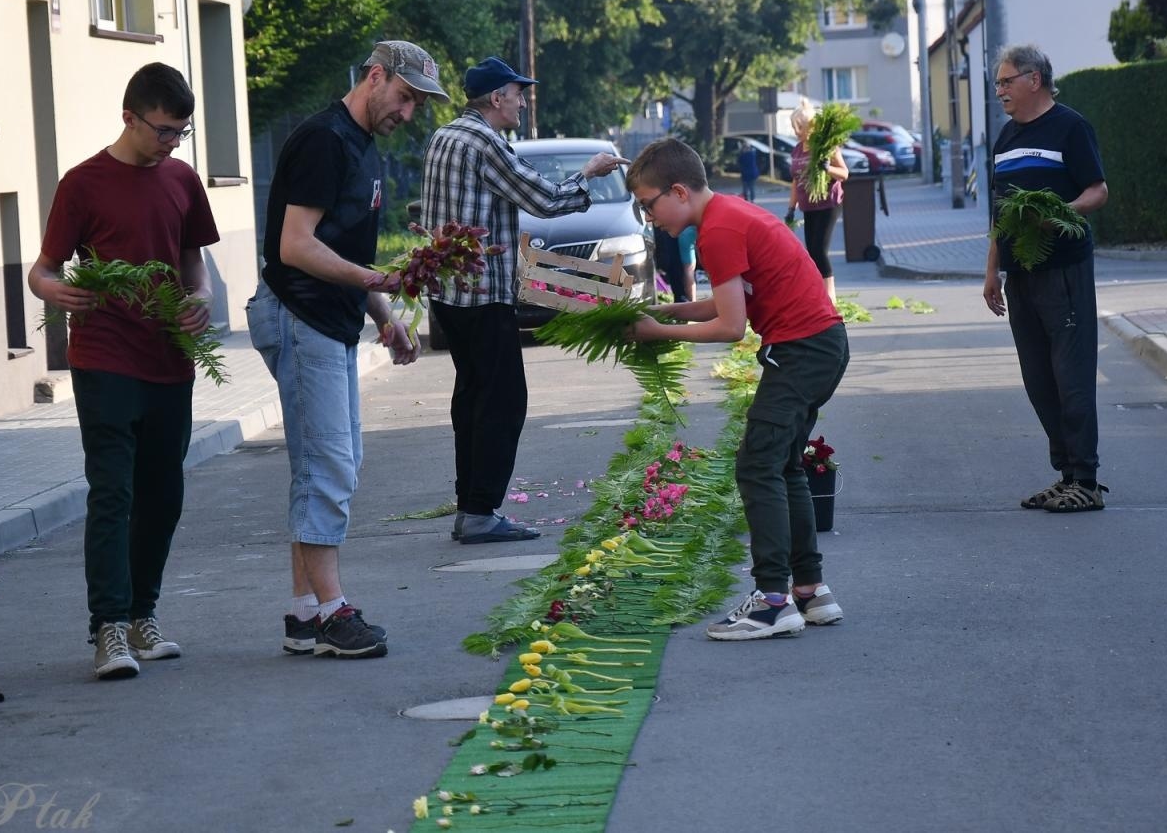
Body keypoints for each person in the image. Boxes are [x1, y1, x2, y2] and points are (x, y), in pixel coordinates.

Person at [28, 62, 220, 680]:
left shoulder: (183, 180)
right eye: (163, 131)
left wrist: (202, 298)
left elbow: (193, 264)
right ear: (129, 118)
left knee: (163, 495)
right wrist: (55, 291)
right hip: (104, 357)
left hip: (170, 358)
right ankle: (108, 627)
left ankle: (143, 615)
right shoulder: (82, 184)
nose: (172, 143)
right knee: (114, 492)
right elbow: (43, 269)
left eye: (181, 133)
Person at [247, 40, 433, 661]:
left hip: (327, 320)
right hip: (299, 314)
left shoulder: (362, 146)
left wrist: (383, 316)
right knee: (329, 466)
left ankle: (304, 612)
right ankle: (332, 612)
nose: (407, 112)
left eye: (417, 104)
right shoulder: (325, 140)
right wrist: (377, 282)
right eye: (404, 97)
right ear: (375, 76)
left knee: (327, 461)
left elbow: (345, 252)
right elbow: (295, 245)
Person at [624, 138, 849, 640]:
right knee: (783, 465)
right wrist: (666, 311)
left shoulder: (718, 231)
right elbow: (723, 303)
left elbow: (730, 326)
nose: (649, 217)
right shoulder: (727, 215)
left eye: (648, 204)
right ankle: (810, 591)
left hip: (801, 351)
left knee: (756, 465)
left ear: (678, 191)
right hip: (820, 346)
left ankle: (772, 602)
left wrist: (658, 333)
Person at [421, 57, 628, 544]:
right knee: (504, 400)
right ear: (496, 98)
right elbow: (546, 200)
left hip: (448, 292)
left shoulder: (444, 136)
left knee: (472, 397)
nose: (522, 103)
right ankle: (479, 512)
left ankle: (470, 506)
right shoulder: (486, 143)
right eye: (518, 94)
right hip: (482, 293)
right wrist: (589, 174)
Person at [982, 44, 1110, 514]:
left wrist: (1059, 214)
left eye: (1006, 81)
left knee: (1071, 377)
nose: (1000, 91)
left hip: (1064, 272)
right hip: (1020, 274)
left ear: (1034, 79)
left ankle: (1087, 480)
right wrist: (992, 269)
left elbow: (1098, 190)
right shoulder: (1005, 138)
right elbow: (999, 212)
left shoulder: (1070, 127)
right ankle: (1066, 474)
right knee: (1039, 380)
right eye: (997, 83)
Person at [784, 98, 849, 304]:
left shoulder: (826, 147)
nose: (796, 131)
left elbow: (844, 174)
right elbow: (795, 181)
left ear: (810, 126)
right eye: (794, 127)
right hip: (808, 206)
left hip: (828, 204)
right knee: (811, 252)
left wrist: (827, 168)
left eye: (799, 127)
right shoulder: (797, 150)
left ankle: (830, 299)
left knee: (820, 250)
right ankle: (817, 296)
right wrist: (791, 208)